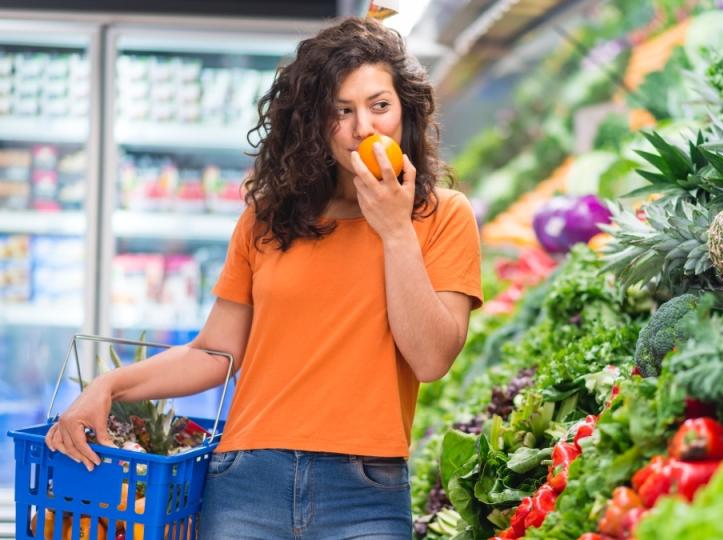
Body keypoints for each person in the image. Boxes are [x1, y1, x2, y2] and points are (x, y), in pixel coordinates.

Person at [45, 17, 482, 539]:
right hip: (248, 482)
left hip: (365, 489)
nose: (364, 127)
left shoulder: (443, 217)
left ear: (405, 111)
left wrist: (394, 230)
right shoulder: (268, 219)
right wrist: (109, 385)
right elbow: (215, 353)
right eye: (341, 111)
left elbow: (432, 358)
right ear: (315, 125)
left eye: (379, 105)